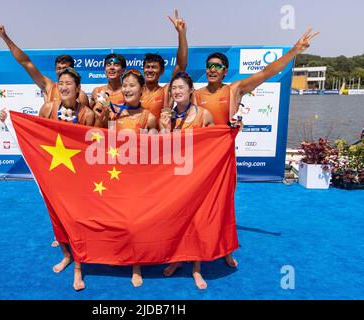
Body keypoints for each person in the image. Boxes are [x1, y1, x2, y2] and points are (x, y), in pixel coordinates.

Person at [190, 28, 319, 269]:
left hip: (224, 157)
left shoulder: (235, 89)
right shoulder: (195, 95)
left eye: (217, 66)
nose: (212, 69)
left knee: (225, 204)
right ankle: (194, 248)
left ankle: (225, 249)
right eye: (209, 65)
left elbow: (268, 71)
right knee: (198, 204)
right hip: (200, 158)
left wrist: (295, 50)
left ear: (225, 71)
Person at [0, 67, 93, 291]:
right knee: (56, 217)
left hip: (78, 175)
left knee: (76, 220)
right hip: (52, 173)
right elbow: (36, 134)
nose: (63, 87)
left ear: (78, 88)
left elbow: (93, 146)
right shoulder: (48, 108)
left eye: (68, 83)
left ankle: (79, 268)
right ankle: (66, 255)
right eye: (61, 83)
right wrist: (10, 121)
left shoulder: (87, 114)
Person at [94, 69, 157, 287]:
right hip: (115, 176)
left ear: (141, 91)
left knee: (135, 225)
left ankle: (136, 265)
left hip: (138, 179)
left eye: (133, 85)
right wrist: (101, 115)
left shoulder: (149, 117)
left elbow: (161, 149)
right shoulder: (114, 114)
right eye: (125, 85)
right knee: (117, 220)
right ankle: (117, 254)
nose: (128, 89)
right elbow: (98, 138)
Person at [158, 72, 212, 289]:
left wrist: (234, 129)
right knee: (175, 221)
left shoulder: (204, 115)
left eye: (181, 87)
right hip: (173, 177)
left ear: (190, 90)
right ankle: (177, 259)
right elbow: (161, 151)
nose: (177, 92)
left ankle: (196, 269)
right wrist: (163, 129)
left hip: (196, 178)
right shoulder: (166, 116)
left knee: (195, 222)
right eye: (174, 89)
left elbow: (213, 144)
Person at [0, 25, 90, 107]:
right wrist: (5, 37)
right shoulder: (49, 86)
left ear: (72, 70)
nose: (61, 71)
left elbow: (84, 126)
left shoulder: (81, 96)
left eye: (64, 68)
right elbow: (26, 63)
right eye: (58, 68)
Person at [141, 9, 188, 120]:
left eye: (154, 67)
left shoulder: (167, 91)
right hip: (138, 137)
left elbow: (181, 65)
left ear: (161, 71)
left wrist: (181, 34)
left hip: (160, 136)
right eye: (147, 67)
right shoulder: (135, 91)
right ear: (143, 69)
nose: (150, 70)